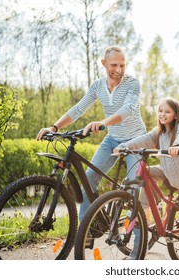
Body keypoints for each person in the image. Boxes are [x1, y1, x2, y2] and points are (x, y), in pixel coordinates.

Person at [36, 46, 146, 224]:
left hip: (136, 140)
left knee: (133, 189)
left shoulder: (132, 83)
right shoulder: (97, 86)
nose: (118, 70)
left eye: (122, 65)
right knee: (89, 178)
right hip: (112, 139)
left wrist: (103, 123)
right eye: (114, 65)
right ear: (104, 63)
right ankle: (85, 229)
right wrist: (54, 127)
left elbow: (129, 109)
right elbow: (78, 109)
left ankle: (137, 241)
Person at [114, 97, 179, 260]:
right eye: (160, 111)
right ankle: (146, 207)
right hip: (167, 172)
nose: (163, 114)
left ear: (176, 115)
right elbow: (143, 139)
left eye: (167, 111)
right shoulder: (159, 132)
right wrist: (124, 146)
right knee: (142, 172)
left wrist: (177, 146)